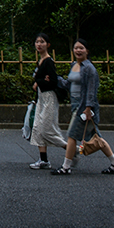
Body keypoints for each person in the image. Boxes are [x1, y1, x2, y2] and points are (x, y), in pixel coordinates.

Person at [52, 38, 114, 175]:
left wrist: (88, 108)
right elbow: (68, 84)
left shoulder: (89, 68)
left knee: (72, 135)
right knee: (97, 137)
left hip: (83, 108)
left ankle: (66, 167)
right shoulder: (74, 65)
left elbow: (92, 90)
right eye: (76, 48)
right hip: (77, 107)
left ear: (87, 51)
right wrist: (55, 79)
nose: (78, 50)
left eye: (81, 48)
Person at [28, 31, 68, 169]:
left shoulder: (49, 61)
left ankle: (69, 149)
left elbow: (53, 81)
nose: (39, 44)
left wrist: (38, 81)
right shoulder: (40, 61)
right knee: (37, 128)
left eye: (42, 42)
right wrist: (40, 81)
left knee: (46, 129)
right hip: (41, 98)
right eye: (37, 42)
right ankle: (43, 159)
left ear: (48, 45)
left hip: (49, 97)